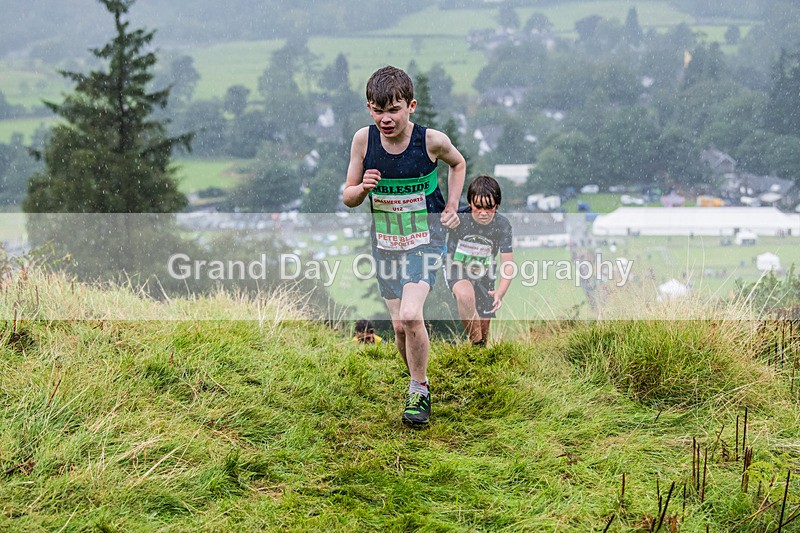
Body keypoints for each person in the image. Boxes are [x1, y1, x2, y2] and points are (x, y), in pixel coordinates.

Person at [343, 65, 466, 427]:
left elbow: (458, 164)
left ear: (411, 106)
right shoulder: (363, 141)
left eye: (394, 110)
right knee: (399, 327)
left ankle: (418, 390)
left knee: (412, 315)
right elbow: (348, 196)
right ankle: (418, 382)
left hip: (426, 239)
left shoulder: (431, 141)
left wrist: (452, 205)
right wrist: (362, 188)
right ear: (369, 109)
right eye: (378, 110)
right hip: (386, 244)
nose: (386, 119)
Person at [444, 175, 514, 346]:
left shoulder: (502, 225)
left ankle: (478, 351)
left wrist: (500, 292)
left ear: (497, 205)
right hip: (456, 267)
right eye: (478, 207)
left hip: (485, 272)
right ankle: (476, 344)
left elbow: (508, 265)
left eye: (489, 208)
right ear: (470, 203)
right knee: (465, 295)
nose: (483, 213)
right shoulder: (458, 217)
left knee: (483, 329)